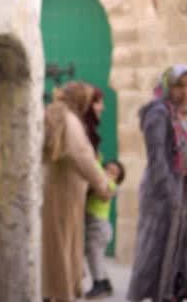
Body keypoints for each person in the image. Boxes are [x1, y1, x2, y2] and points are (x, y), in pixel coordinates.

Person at [42, 81, 114, 302]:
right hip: (65, 195)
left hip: (58, 192)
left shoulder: (56, 115)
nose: (99, 107)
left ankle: (51, 291)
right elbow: (82, 156)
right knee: (63, 246)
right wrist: (103, 185)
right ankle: (59, 293)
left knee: (57, 245)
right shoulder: (70, 120)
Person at [128, 65, 187, 302]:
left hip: (180, 188)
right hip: (160, 192)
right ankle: (146, 295)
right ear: (167, 87)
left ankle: (169, 293)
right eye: (179, 86)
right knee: (155, 249)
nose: (184, 91)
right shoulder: (158, 113)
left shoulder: (179, 115)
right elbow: (157, 160)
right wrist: (170, 194)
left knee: (176, 247)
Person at [85, 159, 126, 299]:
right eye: (107, 170)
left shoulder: (112, 186)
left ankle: (99, 284)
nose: (109, 174)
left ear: (118, 179)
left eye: (114, 173)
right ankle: (106, 284)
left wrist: (104, 178)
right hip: (95, 226)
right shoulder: (100, 181)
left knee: (94, 256)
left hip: (99, 227)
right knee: (97, 257)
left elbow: (106, 194)